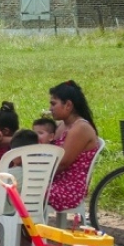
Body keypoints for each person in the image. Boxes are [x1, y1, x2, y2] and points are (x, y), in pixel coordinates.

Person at [46, 80, 100, 213]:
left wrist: (36, 175)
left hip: (68, 189)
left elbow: (63, 163)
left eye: (53, 104)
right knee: (12, 185)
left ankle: (26, 233)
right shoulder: (62, 126)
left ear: (68, 105)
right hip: (54, 182)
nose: (50, 108)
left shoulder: (80, 128)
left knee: (21, 188)